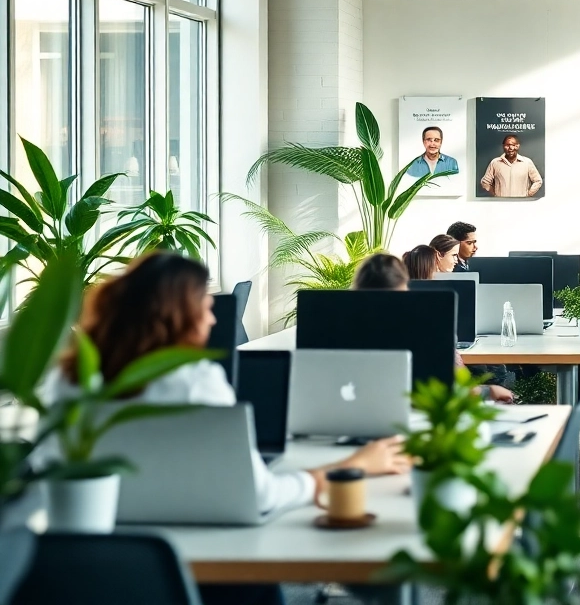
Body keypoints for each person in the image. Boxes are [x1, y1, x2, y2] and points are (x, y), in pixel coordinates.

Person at [40, 253, 411, 605]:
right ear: (177, 316)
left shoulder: (67, 380)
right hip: (210, 581)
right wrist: (346, 469)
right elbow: (260, 498)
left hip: (89, 571)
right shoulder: (195, 380)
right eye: (205, 308)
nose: (214, 320)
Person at [352, 254, 513, 403]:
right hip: (420, 419)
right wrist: (488, 392)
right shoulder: (423, 328)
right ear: (403, 287)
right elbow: (453, 388)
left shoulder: (345, 327)